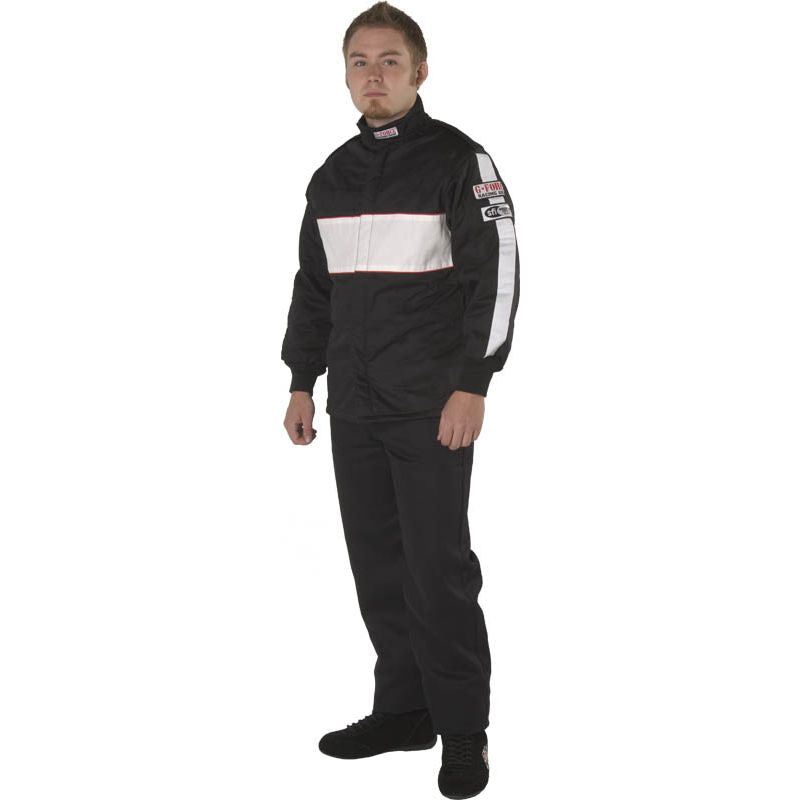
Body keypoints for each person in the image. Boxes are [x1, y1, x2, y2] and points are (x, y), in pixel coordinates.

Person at [280, 3, 520, 797]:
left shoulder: (460, 161)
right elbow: (314, 288)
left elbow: (497, 273)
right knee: (379, 567)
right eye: (359, 61)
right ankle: (405, 712)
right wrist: (301, 380)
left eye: (389, 61)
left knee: (437, 571)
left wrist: (473, 383)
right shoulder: (332, 176)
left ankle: (464, 732)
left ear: (420, 71)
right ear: (345, 75)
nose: (373, 75)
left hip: (431, 405)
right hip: (354, 405)